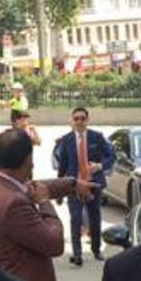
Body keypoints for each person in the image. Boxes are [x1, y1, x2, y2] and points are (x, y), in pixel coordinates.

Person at [0, 128, 96, 281]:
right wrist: (44, 201)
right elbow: (54, 243)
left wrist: (72, 184)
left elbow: (29, 188)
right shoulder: (13, 204)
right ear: (28, 160)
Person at [52, 106, 114, 266]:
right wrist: (59, 189)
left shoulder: (97, 137)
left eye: (82, 118)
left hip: (93, 183)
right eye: (76, 119)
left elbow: (111, 156)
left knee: (95, 217)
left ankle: (96, 249)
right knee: (76, 218)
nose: (79, 122)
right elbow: (63, 166)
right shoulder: (66, 140)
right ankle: (77, 254)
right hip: (73, 185)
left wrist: (100, 166)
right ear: (72, 121)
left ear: (87, 120)